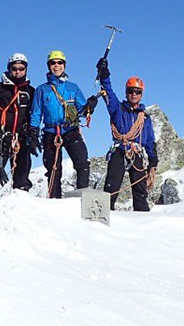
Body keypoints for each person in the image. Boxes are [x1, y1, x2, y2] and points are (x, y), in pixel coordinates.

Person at [29, 50, 92, 198]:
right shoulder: (42, 90)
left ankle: (82, 201)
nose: (56, 65)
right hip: (51, 132)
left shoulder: (73, 87)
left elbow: (83, 110)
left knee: (82, 164)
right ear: (48, 66)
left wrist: (90, 105)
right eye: (53, 62)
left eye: (60, 62)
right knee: (53, 170)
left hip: (71, 130)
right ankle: (55, 202)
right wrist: (33, 132)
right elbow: (36, 113)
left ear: (64, 65)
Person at [99, 58, 159, 211]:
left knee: (140, 190)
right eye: (131, 91)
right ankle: (103, 217)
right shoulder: (117, 109)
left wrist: (153, 160)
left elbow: (149, 140)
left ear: (141, 94)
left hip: (136, 152)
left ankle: (142, 220)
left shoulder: (144, 118)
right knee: (112, 185)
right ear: (126, 92)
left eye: (137, 92)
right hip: (119, 150)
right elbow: (109, 92)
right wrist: (104, 75)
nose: (134, 94)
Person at [0, 52, 38, 192]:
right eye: (15, 68)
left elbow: (35, 114)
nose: (18, 72)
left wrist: (33, 135)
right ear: (9, 69)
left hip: (22, 139)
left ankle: (21, 204)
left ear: (26, 70)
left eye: (21, 69)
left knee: (22, 176)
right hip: (1, 137)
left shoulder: (30, 91)